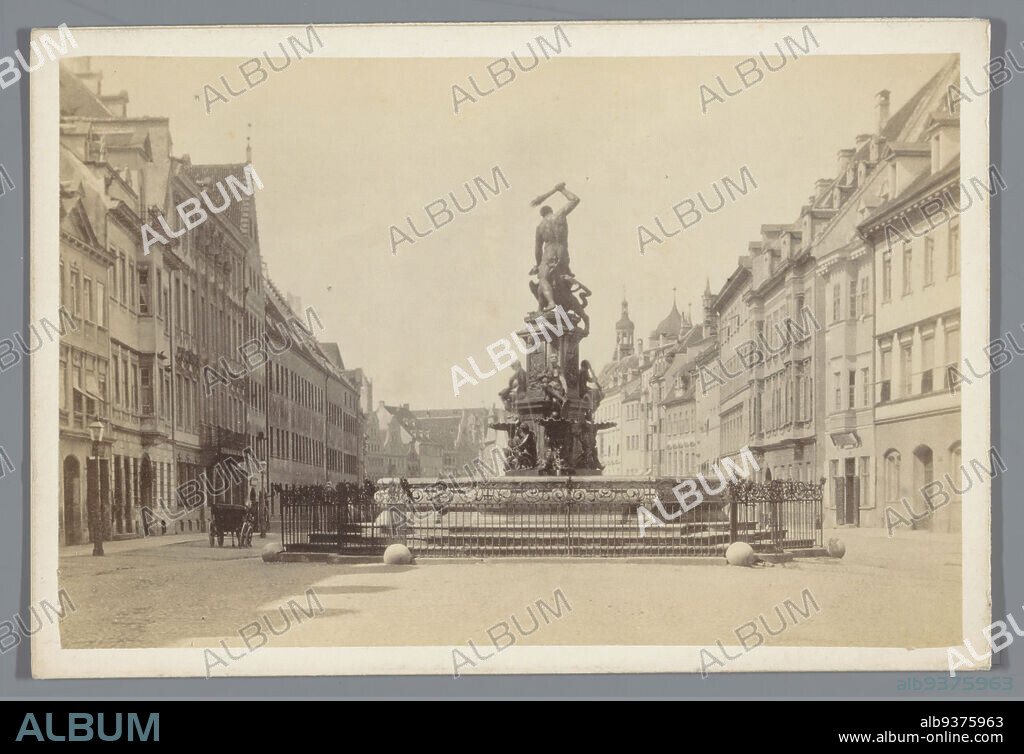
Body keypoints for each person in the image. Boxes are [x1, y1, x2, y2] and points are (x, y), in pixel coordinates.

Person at [531, 182, 580, 311]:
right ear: (551, 211)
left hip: (549, 254)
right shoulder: (560, 215)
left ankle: (551, 302)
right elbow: (575, 199)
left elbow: (538, 250)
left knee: (543, 279)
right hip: (563, 253)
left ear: (542, 215)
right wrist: (562, 190)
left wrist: (538, 265)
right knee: (563, 278)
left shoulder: (540, 227)